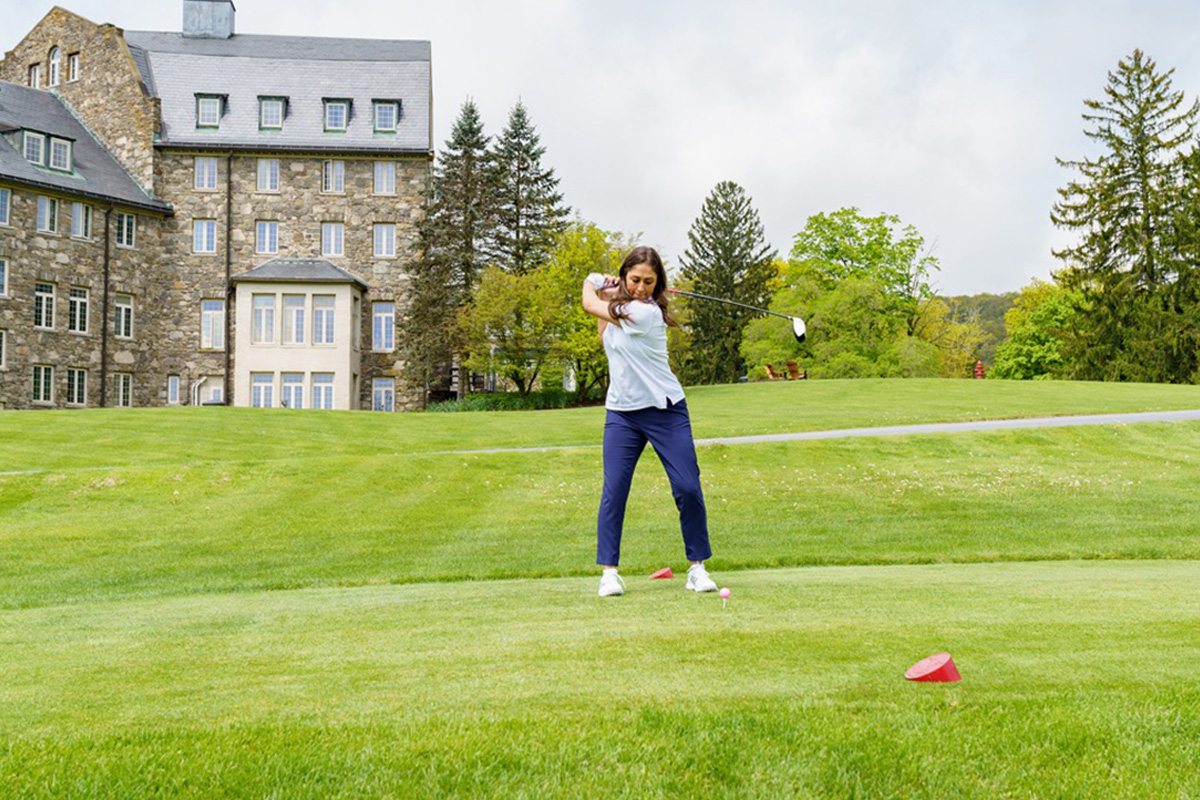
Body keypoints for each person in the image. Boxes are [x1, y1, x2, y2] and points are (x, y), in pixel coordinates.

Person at [581, 245, 718, 597]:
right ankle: (609, 574)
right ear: (625, 276)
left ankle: (697, 569)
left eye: (648, 282)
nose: (641, 287)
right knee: (614, 491)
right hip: (622, 414)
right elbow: (603, 334)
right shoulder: (622, 310)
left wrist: (592, 282)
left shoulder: (645, 313)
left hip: (665, 411)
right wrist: (610, 293)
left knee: (688, 486)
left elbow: (589, 304)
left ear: (657, 285)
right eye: (635, 280)